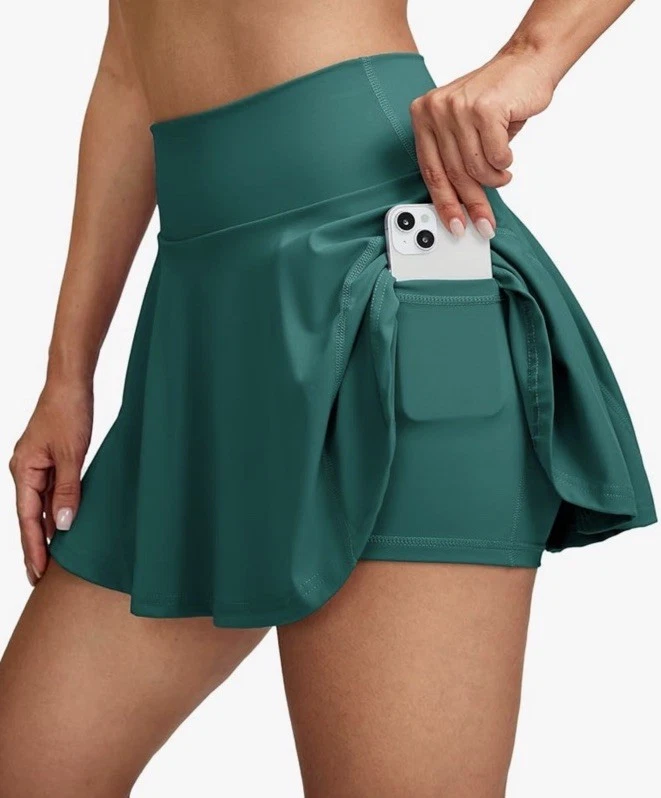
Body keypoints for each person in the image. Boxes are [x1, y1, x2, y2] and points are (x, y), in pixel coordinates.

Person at [1, 0, 655, 795]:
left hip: (383, 273)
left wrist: (532, 53)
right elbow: (126, 71)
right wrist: (67, 376)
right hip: (203, 330)